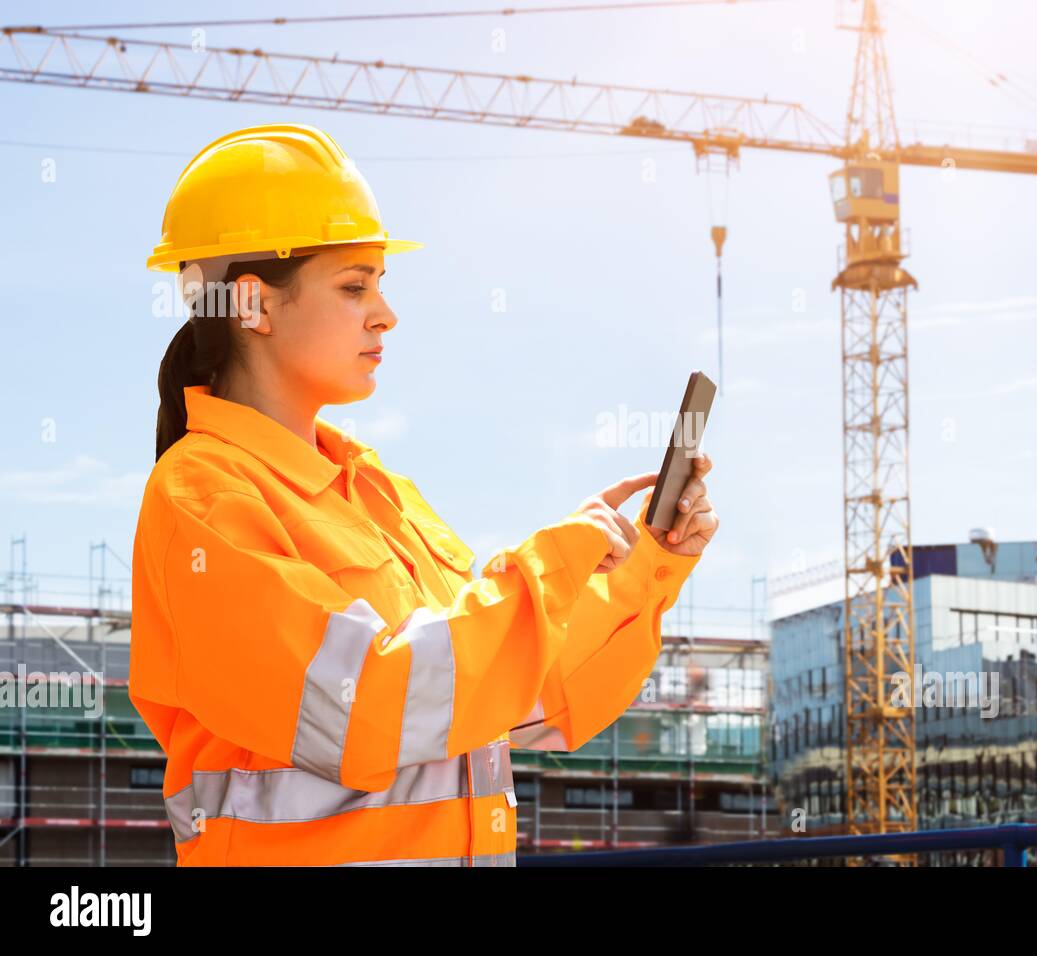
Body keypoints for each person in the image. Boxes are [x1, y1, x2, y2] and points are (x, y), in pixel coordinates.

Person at [129, 123, 718, 866]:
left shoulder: (379, 494)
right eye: (354, 286)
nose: (385, 313)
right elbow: (361, 711)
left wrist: (645, 567)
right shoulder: (200, 500)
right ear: (253, 304)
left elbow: (516, 702)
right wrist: (552, 565)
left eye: (381, 284)